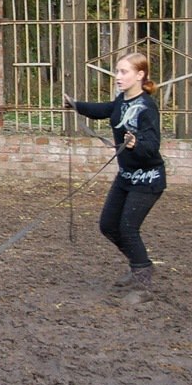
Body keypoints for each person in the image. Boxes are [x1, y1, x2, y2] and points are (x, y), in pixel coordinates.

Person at [64, 52, 165, 302]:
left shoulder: (147, 107)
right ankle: (138, 264)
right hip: (126, 176)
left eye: (123, 72)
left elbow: (152, 145)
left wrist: (135, 143)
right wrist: (76, 105)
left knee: (128, 228)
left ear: (140, 75)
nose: (117, 77)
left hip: (148, 178)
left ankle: (143, 284)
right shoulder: (122, 101)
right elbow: (105, 110)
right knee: (108, 225)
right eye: (117, 71)